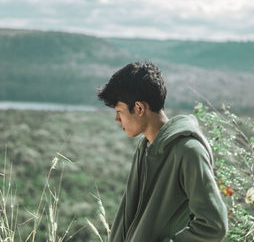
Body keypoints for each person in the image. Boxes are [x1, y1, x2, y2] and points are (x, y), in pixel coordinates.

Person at [97, 62, 228, 242]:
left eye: (119, 111)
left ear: (139, 108)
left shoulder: (188, 151)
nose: (117, 119)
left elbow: (214, 226)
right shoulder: (146, 147)